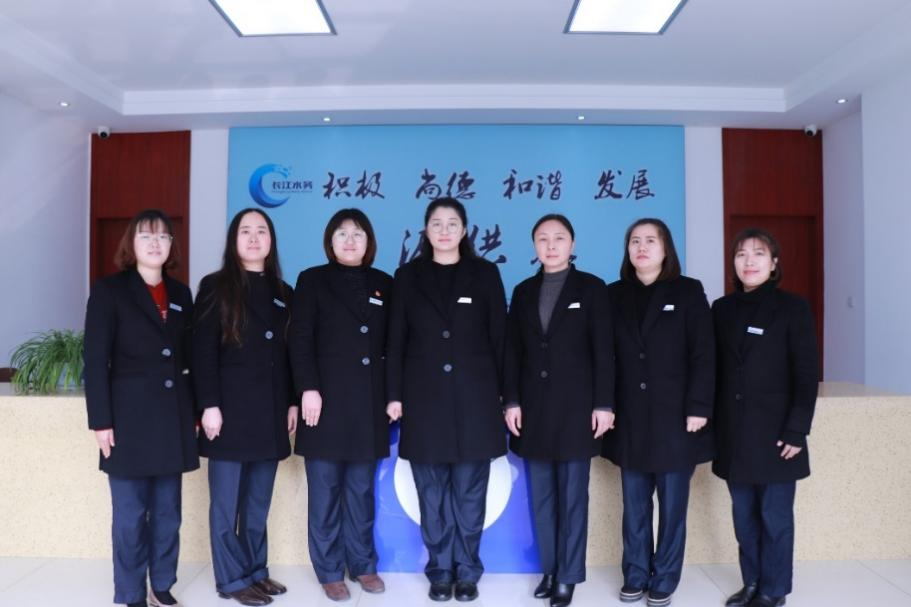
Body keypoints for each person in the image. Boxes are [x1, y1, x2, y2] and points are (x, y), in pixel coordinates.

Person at [385, 197, 507, 602]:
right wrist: (394, 395)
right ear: (426, 230)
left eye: (452, 223)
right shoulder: (407, 276)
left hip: (476, 400)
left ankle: (467, 572)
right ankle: (439, 572)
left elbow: (500, 339)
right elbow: (396, 340)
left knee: (471, 494)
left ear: (464, 230)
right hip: (424, 401)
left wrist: (505, 396)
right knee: (432, 494)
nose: (444, 230)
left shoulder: (485, 274)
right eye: (436, 223)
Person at [83, 209, 198, 607]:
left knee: (168, 513)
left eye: (163, 236)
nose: (155, 243)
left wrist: (194, 412)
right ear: (131, 244)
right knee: (130, 515)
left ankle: (161, 583)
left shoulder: (181, 294)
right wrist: (100, 421)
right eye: (146, 236)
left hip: (172, 419)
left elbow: (189, 358)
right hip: (127, 421)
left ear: (171, 246)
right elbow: (94, 361)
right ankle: (131, 591)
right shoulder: (109, 291)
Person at [503, 214, 615, 607]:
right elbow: (512, 352)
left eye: (559, 238)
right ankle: (549, 570)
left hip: (577, 410)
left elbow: (604, 351)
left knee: (572, 499)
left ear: (572, 243)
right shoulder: (523, 291)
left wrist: (604, 404)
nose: (551, 245)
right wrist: (511, 400)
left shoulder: (592, 288)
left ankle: (568, 575)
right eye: (543, 239)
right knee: (542, 498)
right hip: (533, 409)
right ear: (534, 245)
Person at [602, 218, 715, 607]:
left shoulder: (687, 291)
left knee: (671, 507)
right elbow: (605, 357)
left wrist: (699, 407)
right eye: (635, 241)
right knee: (634, 505)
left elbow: (704, 354)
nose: (642, 247)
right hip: (630, 418)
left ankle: (665, 577)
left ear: (666, 249)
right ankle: (635, 573)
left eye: (651, 240)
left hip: (676, 418)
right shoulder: (613, 294)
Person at [289, 208, 393, 602]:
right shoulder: (312, 280)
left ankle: (362, 564)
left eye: (358, 233)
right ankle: (330, 570)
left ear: (369, 242)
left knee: (361, 492)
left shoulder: (384, 284)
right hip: (324, 403)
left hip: (368, 404)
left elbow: (393, 345)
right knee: (326, 492)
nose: (350, 241)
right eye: (342, 234)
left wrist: (393, 395)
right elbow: (300, 339)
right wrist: (308, 388)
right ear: (330, 242)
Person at [193, 208, 294, 606]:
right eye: (245, 231)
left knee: (257, 503)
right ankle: (231, 579)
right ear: (233, 240)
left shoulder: (284, 292)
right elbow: (202, 351)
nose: (254, 238)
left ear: (271, 240)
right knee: (226, 505)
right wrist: (209, 405)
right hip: (229, 413)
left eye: (261, 231)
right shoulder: (215, 286)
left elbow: (290, 356)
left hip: (270, 413)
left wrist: (291, 402)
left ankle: (255, 571)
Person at [711, 228, 818, 607]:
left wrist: (797, 429)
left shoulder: (793, 308)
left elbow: (806, 374)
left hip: (778, 434)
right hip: (735, 434)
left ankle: (774, 589)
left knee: (775, 517)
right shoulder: (721, 309)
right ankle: (752, 582)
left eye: (758, 254)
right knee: (744, 518)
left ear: (774, 264)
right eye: (741, 254)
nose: (749, 261)